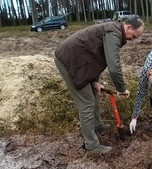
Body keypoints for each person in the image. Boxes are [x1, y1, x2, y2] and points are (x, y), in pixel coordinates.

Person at [54, 16, 145, 155]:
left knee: (94, 94)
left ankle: (97, 126)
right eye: (134, 36)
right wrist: (121, 89)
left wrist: (93, 81)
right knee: (87, 104)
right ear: (128, 27)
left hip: (79, 62)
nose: (134, 39)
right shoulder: (113, 33)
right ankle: (91, 146)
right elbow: (113, 66)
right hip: (68, 61)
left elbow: (94, 56)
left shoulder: (114, 31)